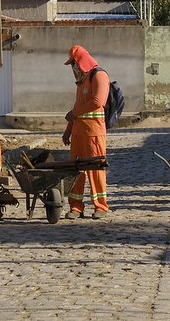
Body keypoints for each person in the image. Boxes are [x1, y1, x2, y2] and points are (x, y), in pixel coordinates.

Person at [62, 45, 110, 219]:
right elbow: (77, 107)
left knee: (96, 169)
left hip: (94, 134)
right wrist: (68, 130)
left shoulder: (99, 75)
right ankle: (76, 207)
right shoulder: (82, 81)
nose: (72, 69)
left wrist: (73, 114)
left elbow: (98, 102)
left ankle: (100, 207)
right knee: (76, 169)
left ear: (80, 62)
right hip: (78, 134)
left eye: (73, 64)